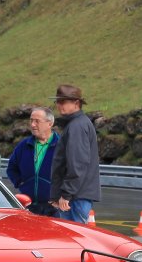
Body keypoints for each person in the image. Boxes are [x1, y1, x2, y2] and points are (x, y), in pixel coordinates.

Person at [48, 83, 101, 223]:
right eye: (57, 101)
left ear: (76, 103)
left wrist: (66, 194)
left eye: (62, 101)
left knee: (73, 235)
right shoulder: (76, 124)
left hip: (75, 197)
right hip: (76, 195)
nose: (58, 105)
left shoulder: (77, 126)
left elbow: (78, 164)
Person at [6, 107, 60, 216]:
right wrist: (21, 183)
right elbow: (11, 168)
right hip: (28, 207)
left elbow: (72, 174)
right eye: (31, 120)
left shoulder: (62, 146)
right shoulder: (24, 145)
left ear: (50, 124)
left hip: (55, 208)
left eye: (37, 121)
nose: (32, 125)